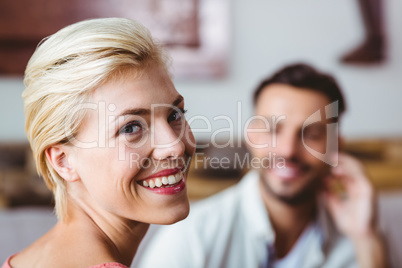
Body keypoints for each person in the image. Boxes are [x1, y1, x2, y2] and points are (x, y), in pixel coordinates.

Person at [137, 63, 388, 268]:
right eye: (272, 129)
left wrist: (366, 238)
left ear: (335, 147)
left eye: (310, 134)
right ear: (252, 136)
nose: (288, 150)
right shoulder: (192, 238)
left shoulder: (363, 236)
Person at [1, 17, 195, 268]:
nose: (175, 146)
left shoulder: (23, 261)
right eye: (131, 128)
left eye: (174, 115)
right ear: (63, 161)